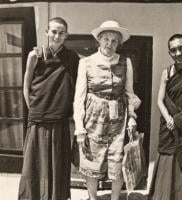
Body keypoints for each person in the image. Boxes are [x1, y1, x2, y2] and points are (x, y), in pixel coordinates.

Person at [73, 20, 141, 200]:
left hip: (118, 119)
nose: (109, 44)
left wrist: (132, 117)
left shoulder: (126, 63)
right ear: (99, 40)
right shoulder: (86, 63)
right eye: (106, 39)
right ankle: (93, 198)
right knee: (91, 161)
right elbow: (79, 98)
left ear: (119, 43)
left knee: (118, 161)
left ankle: (115, 198)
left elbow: (129, 93)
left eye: (114, 41)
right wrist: (79, 127)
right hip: (93, 118)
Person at [18, 17, 79, 200]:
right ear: (46, 32)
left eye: (61, 33)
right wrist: (34, 111)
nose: (57, 36)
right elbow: (26, 86)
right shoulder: (35, 55)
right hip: (38, 118)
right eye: (53, 31)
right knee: (34, 164)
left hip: (60, 118)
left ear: (66, 35)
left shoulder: (72, 58)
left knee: (57, 164)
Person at [149, 34, 182, 200]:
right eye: (173, 50)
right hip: (169, 128)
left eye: (181, 48)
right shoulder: (167, 72)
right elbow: (160, 100)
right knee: (167, 163)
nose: (178, 53)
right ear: (169, 52)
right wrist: (169, 119)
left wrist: (178, 120)